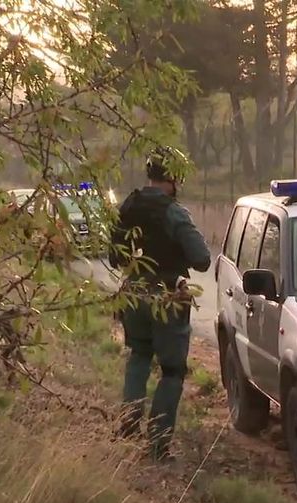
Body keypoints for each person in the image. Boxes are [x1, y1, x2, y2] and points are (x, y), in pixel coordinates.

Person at [108, 145, 211, 462]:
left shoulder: (128, 206)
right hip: (166, 298)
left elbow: (114, 257)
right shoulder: (174, 212)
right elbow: (203, 260)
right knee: (171, 371)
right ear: (174, 178)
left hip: (133, 294)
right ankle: (157, 447)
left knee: (139, 355)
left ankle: (127, 426)